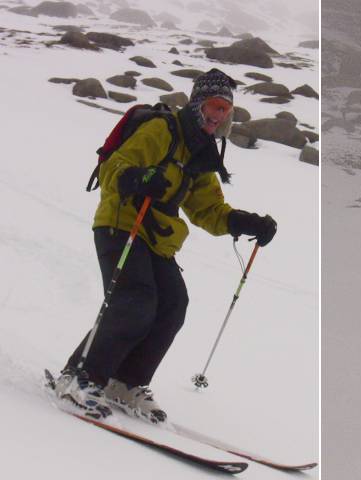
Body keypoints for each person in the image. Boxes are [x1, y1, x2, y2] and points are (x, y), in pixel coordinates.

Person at [53, 68, 277, 423]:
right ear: (199, 104)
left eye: (226, 110)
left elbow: (207, 210)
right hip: (122, 222)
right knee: (135, 300)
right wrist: (140, 178)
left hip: (156, 236)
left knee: (173, 304)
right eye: (215, 106)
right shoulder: (162, 129)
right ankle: (79, 376)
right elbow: (116, 167)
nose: (219, 116)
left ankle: (125, 382)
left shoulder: (201, 152)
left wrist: (246, 222)